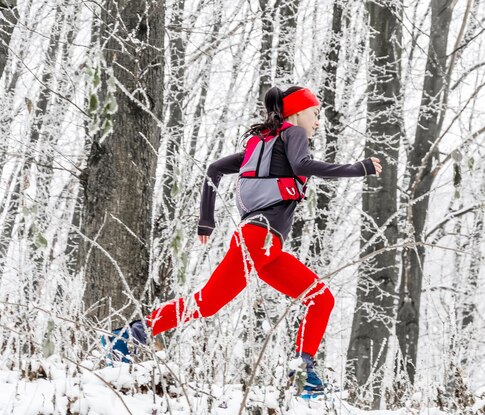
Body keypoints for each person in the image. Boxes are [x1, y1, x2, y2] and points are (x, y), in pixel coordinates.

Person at [145, 86, 383, 393]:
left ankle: (301, 373)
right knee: (207, 302)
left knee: (319, 297)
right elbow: (302, 166)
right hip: (259, 239)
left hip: (265, 244)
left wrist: (207, 220)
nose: (318, 121)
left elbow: (214, 169)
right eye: (315, 113)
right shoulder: (293, 134)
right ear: (296, 113)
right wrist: (356, 168)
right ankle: (131, 334)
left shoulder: (264, 143)